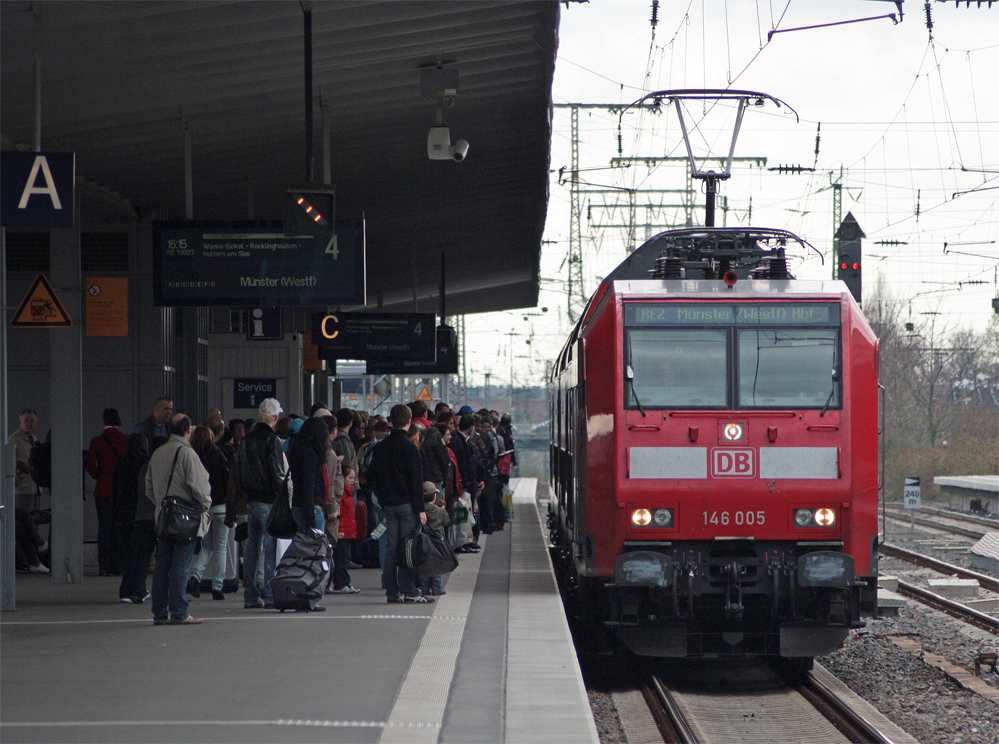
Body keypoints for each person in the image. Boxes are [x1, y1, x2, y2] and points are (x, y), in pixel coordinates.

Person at [147, 414, 211, 625]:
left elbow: (148, 486)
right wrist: (204, 505)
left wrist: (160, 503)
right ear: (188, 431)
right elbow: (200, 488)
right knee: (181, 566)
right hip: (185, 519)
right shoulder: (187, 454)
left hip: (163, 518)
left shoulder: (157, 453)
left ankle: (159, 613)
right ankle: (179, 612)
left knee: (162, 565)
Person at [369, 404, 432, 604]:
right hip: (407, 506)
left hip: (388, 506)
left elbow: (372, 477)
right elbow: (415, 481)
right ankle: (410, 591)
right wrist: (420, 509)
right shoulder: (410, 448)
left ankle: (392, 592)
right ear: (409, 421)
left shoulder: (380, 447)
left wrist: (381, 497)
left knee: (391, 548)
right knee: (407, 549)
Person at [232, 398, 288, 610]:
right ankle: (271, 595)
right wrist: (281, 495)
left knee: (253, 549)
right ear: (274, 417)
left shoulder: (247, 439)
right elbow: (276, 472)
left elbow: (242, 469)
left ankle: (251, 596)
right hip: (268, 501)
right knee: (270, 548)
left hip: (252, 500)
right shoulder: (272, 440)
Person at [186, 426, 231, 601]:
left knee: (206, 546)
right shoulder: (219, 455)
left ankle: (195, 576)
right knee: (220, 547)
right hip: (220, 506)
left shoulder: (193, 457)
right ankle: (217, 587)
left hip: (202, 507)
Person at [86, 408, 129, 575]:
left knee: (104, 528)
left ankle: (104, 566)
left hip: (103, 490)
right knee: (120, 527)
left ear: (104, 421)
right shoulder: (126, 439)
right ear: (119, 420)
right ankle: (118, 565)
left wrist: (100, 475)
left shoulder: (96, 441)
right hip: (122, 491)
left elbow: (90, 467)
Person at [8, 409, 49, 573]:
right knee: (21, 526)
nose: (29, 423)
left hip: (35, 487)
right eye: (26, 420)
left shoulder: (34, 439)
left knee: (33, 524)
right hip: (22, 489)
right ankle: (22, 560)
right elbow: (9, 461)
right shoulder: (14, 439)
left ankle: (33, 558)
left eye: (32, 420)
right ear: (20, 422)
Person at [115, 433, 153, 603]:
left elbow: (114, 488)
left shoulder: (121, 463)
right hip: (140, 513)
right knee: (142, 554)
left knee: (129, 554)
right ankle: (138, 589)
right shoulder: (145, 464)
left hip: (123, 512)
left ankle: (126, 589)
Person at [287, 416, 329, 534]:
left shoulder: (295, 450)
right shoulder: (311, 454)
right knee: (316, 547)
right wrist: (310, 518)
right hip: (311, 506)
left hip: (296, 505)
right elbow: (308, 485)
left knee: (301, 546)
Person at [329, 466, 359, 594]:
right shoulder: (342, 495)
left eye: (353, 478)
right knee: (341, 558)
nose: (352, 480)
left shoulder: (349, 494)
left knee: (345, 557)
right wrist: (338, 531)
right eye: (350, 478)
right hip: (343, 531)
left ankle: (345, 582)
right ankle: (340, 583)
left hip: (348, 530)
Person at [419, 481, 450, 597]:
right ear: (434, 496)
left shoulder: (419, 511)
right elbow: (447, 522)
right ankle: (436, 588)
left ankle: (424, 588)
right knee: (437, 565)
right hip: (437, 541)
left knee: (424, 565)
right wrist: (442, 508)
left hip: (423, 540)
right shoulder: (439, 510)